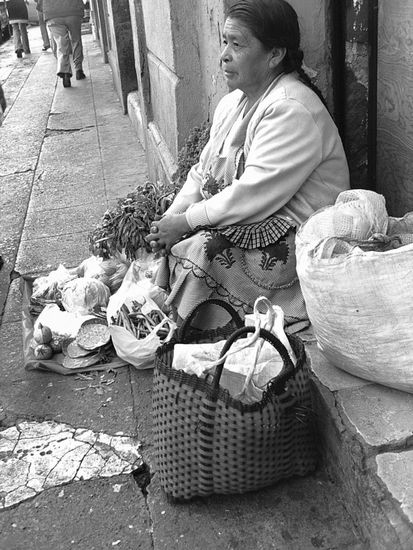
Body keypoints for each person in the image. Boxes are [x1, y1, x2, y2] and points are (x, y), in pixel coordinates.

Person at [147, 0, 350, 330]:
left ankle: (210, 324)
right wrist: (171, 218)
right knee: (184, 242)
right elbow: (204, 172)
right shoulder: (233, 103)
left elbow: (250, 194)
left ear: (274, 54)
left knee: (202, 250)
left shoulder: (291, 108)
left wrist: (186, 223)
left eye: (237, 44)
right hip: (257, 222)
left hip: (296, 241)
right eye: (224, 42)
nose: (224, 55)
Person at [41, 0, 85, 88]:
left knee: (61, 43)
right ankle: (79, 69)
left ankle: (65, 72)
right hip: (73, 10)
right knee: (76, 40)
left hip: (52, 13)